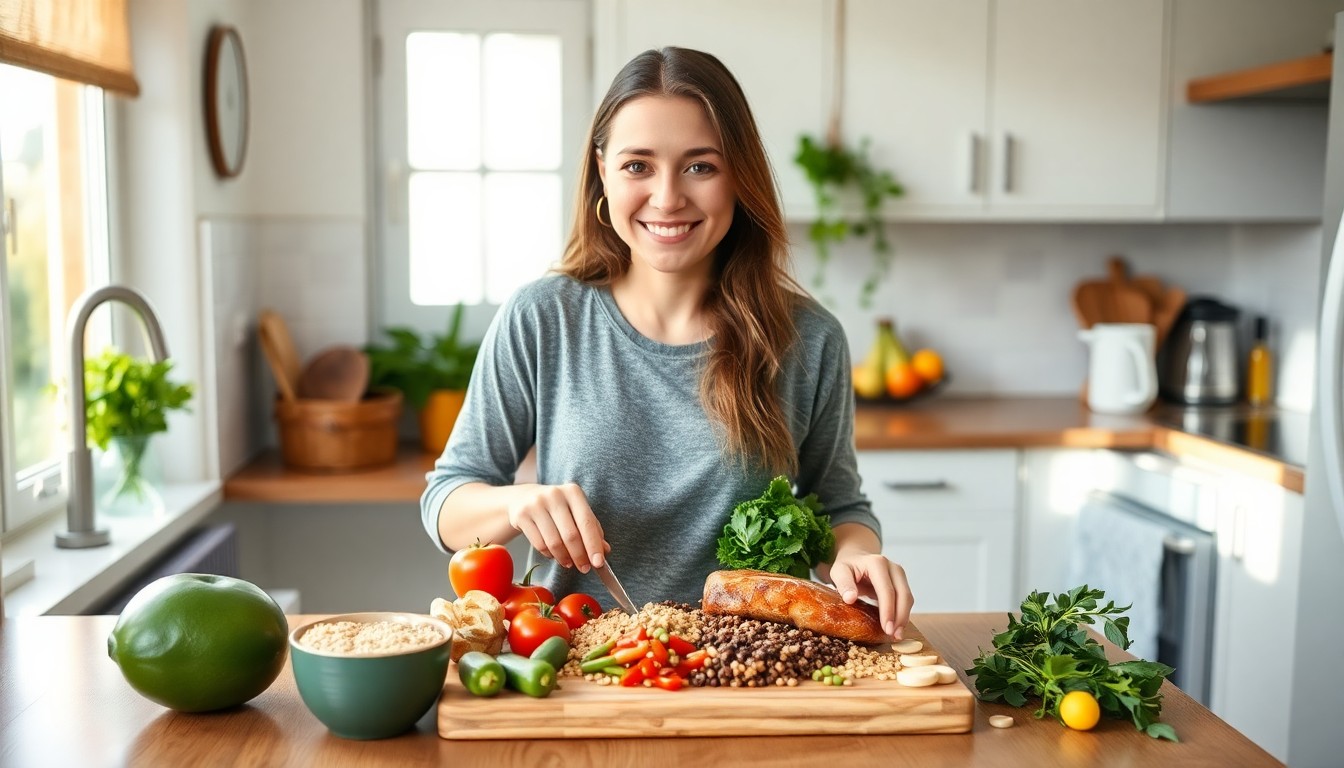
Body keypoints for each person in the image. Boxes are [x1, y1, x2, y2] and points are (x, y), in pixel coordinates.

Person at [421, 46, 914, 639]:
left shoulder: (808, 339)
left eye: (700, 166)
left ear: (740, 178)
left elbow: (839, 508)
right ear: (602, 170)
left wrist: (856, 556)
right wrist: (514, 504)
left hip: (753, 664)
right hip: (573, 659)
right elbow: (447, 500)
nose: (667, 197)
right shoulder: (543, 318)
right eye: (638, 166)